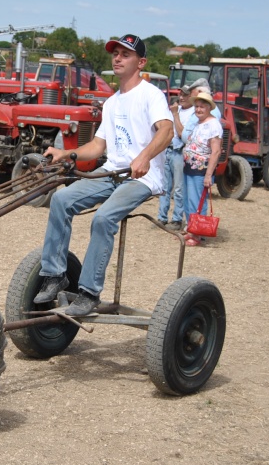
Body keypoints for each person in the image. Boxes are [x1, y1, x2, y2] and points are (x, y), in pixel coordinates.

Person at [33, 34, 174, 316]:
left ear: (141, 62)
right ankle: (55, 275)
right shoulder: (112, 103)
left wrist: (144, 157)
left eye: (126, 54)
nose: (118, 58)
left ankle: (89, 292)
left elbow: (167, 130)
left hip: (141, 179)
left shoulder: (151, 95)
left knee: (103, 218)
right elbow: (98, 146)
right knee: (61, 201)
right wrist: (67, 154)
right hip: (112, 171)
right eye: (115, 53)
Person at [182, 92, 222, 247]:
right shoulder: (199, 124)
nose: (198, 110)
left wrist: (208, 174)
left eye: (201, 107)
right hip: (189, 167)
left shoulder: (213, 125)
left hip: (200, 169)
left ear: (208, 108)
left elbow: (216, 151)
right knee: (188, 200)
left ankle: (198, 234)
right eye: (196, 107)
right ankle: (190, 229)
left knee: (196, 201)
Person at [157, 85, 192, 230]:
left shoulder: (192, 114)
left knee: (178, 188)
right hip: (168, 150)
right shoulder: (173, 111)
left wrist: (176, 115)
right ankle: (162, 217)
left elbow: (182, 134)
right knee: (164, 187)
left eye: (185, 95)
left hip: (179, 151)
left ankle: (177, 219)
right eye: (181, 94)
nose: (181, 98)